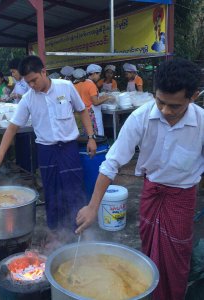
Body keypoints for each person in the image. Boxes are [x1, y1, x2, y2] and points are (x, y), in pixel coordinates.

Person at [76, 58, 204, 300]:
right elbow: (111, 162)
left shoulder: (202, 123)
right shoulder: (141, 117)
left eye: (174, 106)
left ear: (193, 96)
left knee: (176, 259)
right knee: (150, 255)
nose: (165, 111)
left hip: (182, 198)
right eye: (160, 102)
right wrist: (93, 207)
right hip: (152, 193)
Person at [0, 55, 96, 234]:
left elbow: (82, 111)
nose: (31, 85)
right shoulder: (28, 98)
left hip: (69, 148)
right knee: (52, 192)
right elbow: (12, 127)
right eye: (27, 82)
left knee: (74, 188)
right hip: (46, 150)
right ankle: (56, 233)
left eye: (34, 80)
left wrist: (91, 137)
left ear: (43, 72)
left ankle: (79, 231)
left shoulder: (66, 87)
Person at [85, 64, 111, 136]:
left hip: (87, 112)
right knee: (98, 134)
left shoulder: (84, 83)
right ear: (93, 73)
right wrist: (108, 97)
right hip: (94, 113)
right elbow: (95, 102)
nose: (99, 77)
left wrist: (102, 97)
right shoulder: (91, 85)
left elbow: (92, 98)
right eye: (98, 75)